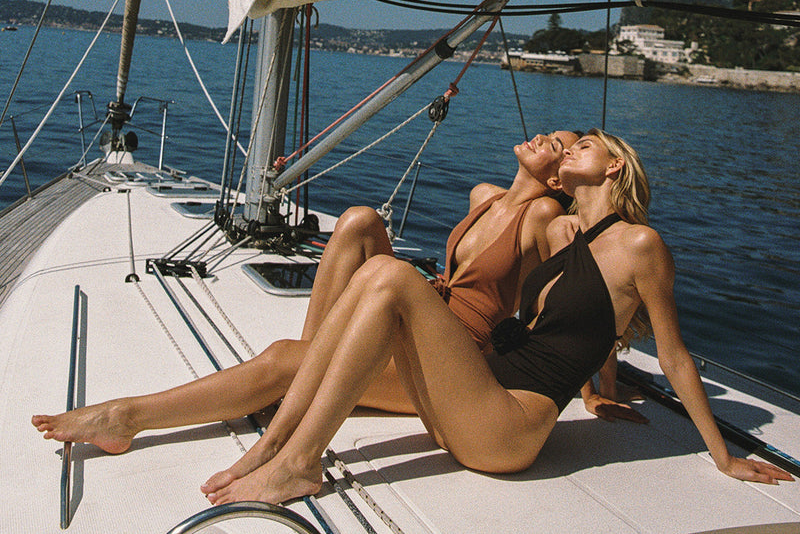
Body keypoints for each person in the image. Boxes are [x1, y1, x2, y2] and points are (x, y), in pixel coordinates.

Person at [192, 129, 792, 505]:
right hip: (474, 397)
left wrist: (724, 457)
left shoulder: (642, 246)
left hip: (509, 429)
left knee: (393, 276)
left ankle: (297, 464)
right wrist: (597, 388)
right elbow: (581, 317)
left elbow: (672, 353)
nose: (572, 145)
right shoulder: (560, 231)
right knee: (378, 273)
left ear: (614, 168)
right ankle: (275, 446)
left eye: (586, 144)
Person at [32, 128, 589, 451]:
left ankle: (127, 418)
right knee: (359, 220)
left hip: (454, 357)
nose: (544, 138)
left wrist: (592, 383)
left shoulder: (544, 216)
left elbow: (576, 298)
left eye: (558, 146)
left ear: (560, 178)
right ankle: (310, 367)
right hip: (422, 319)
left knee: (280, 360)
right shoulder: (483, 196)